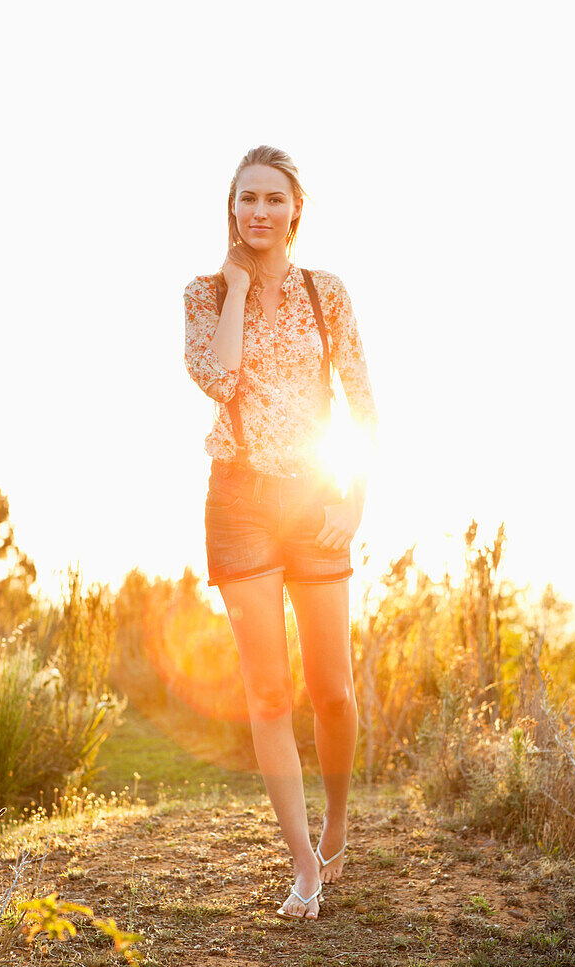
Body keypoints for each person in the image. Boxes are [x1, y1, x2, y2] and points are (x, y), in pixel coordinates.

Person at [183, 145, 377, 921]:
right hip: (237, 504)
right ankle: (302, 861)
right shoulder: (201, 295)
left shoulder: (326, 294)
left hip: (314, 499)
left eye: (271, 199)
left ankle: (334, 821)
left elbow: (362, 403)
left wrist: (353, 500)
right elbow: (217, 378)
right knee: (267, 693)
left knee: (330, 690)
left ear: (295, 209)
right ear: (230, 211)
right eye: (244, 200)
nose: (256, 212)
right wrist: (233, 287)